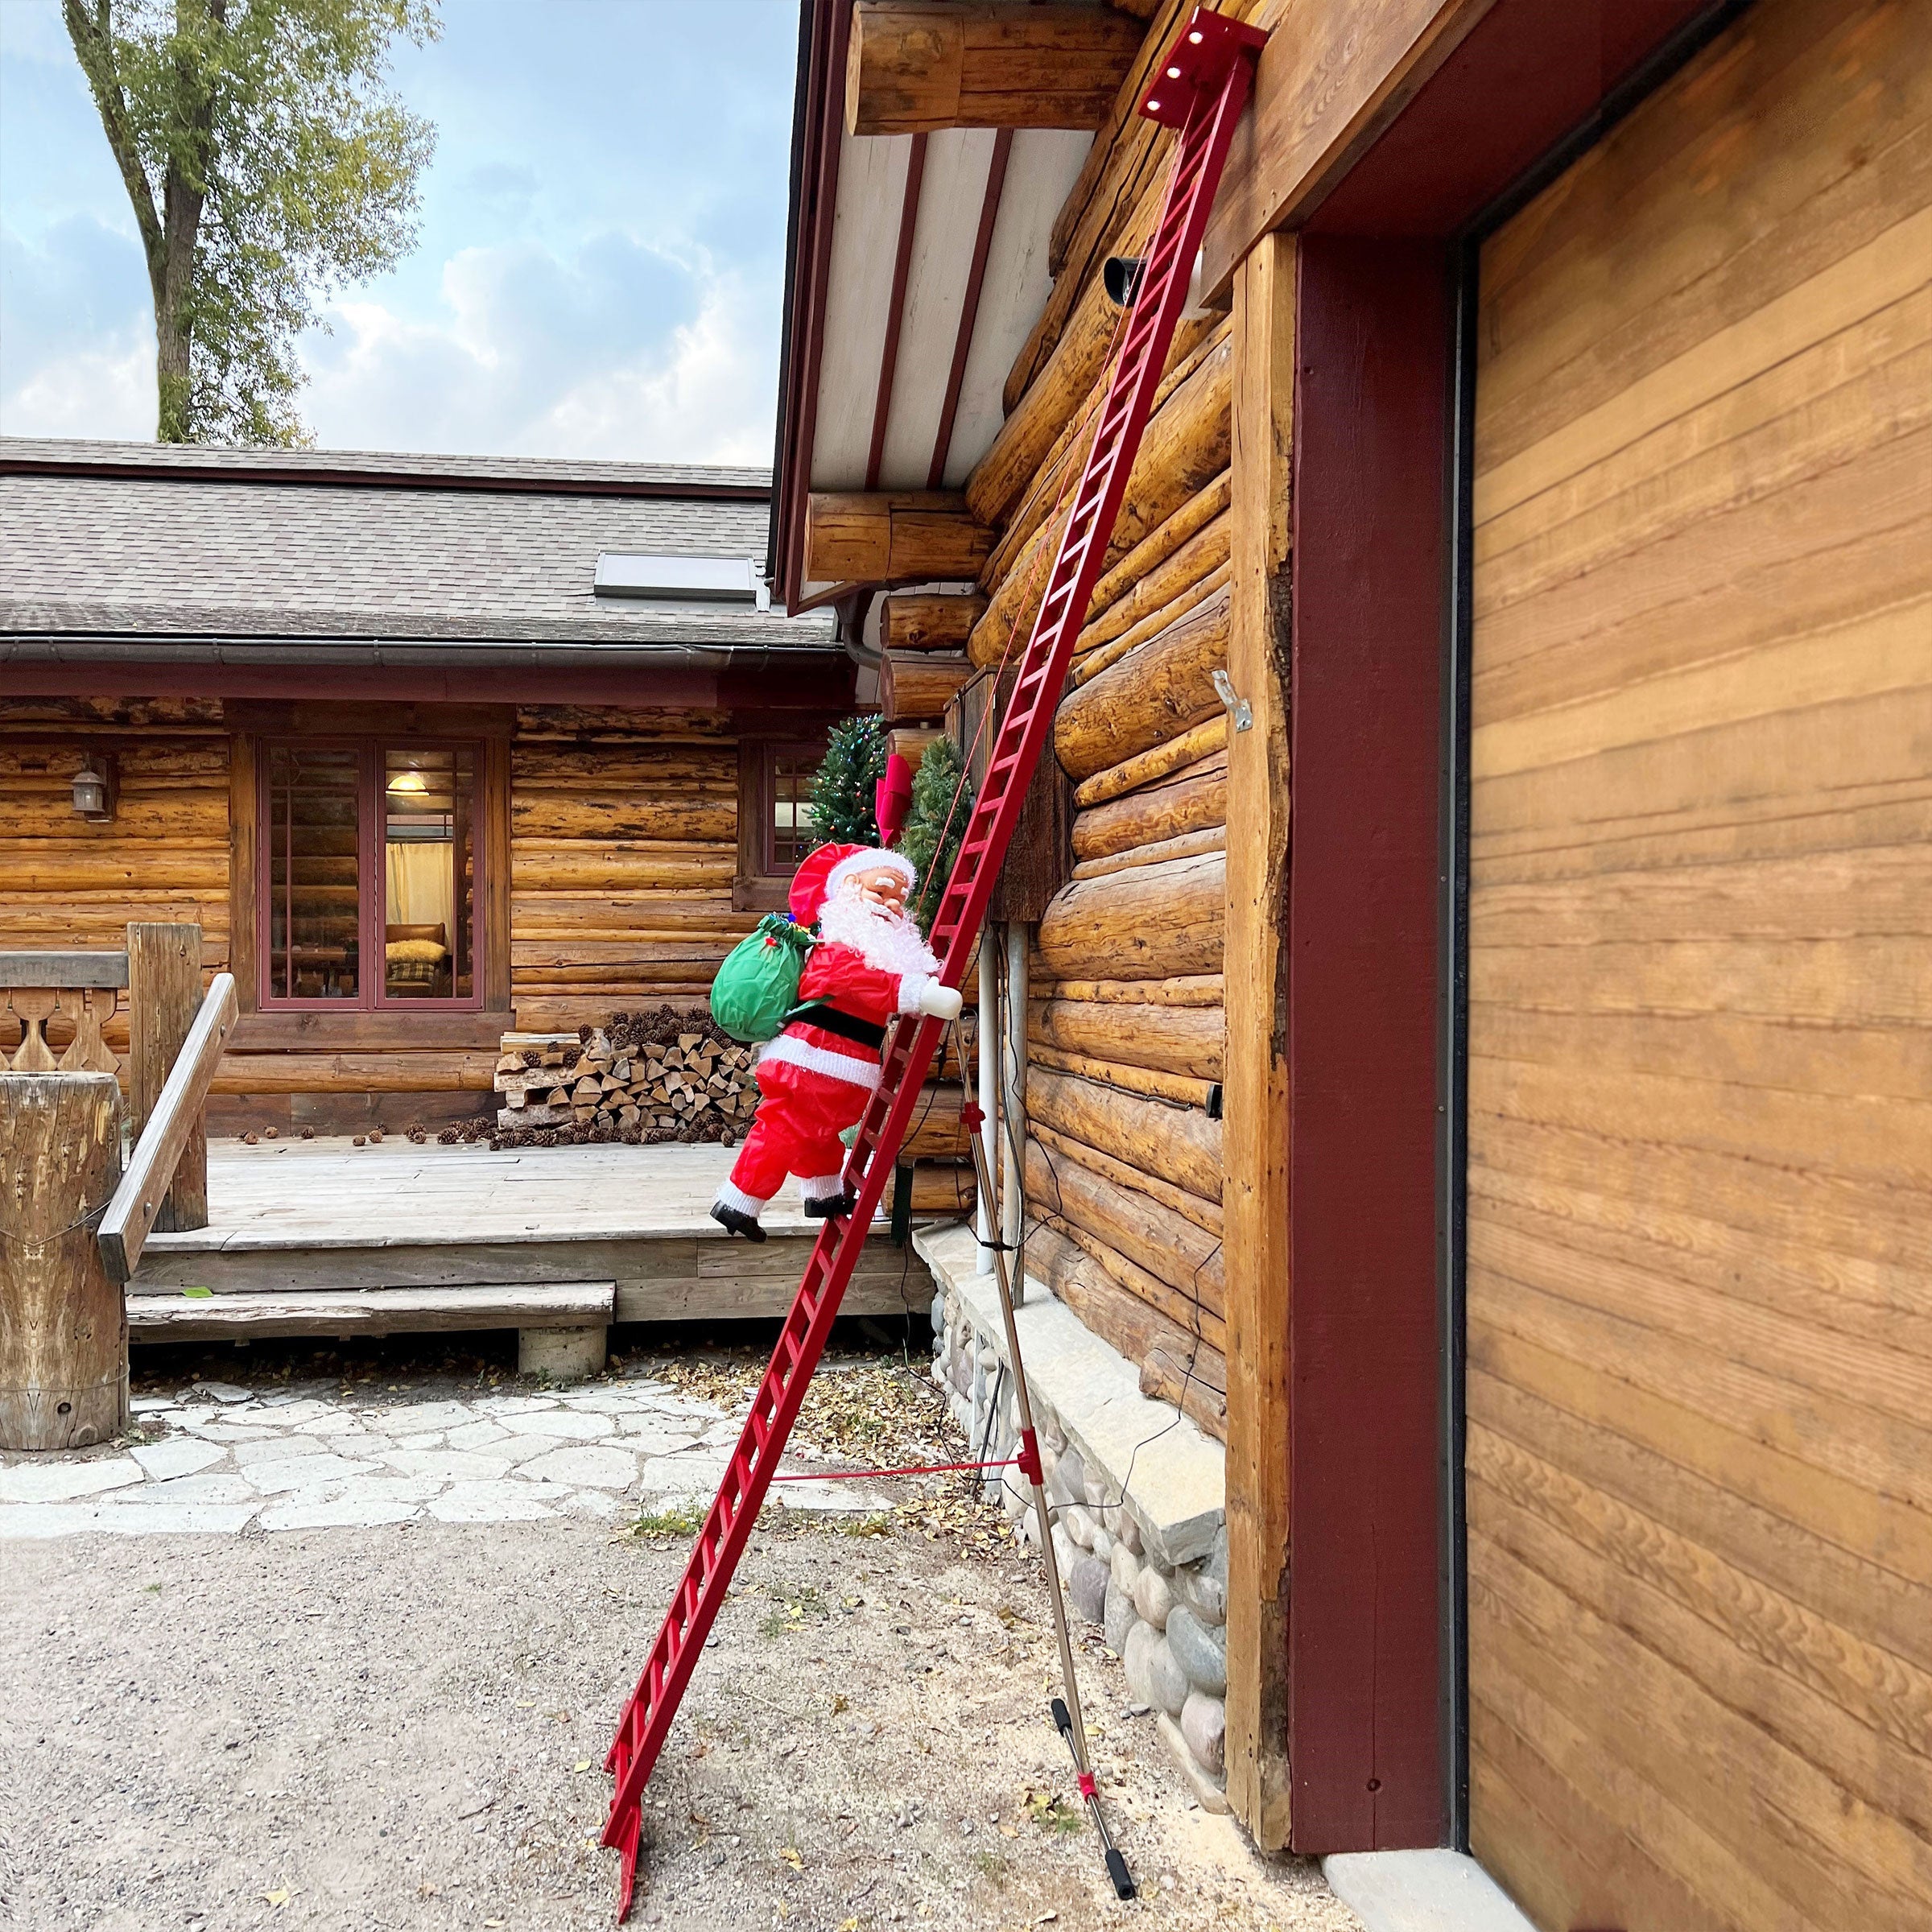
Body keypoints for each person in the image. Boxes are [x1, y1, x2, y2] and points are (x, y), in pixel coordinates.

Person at [710, 842, 963, 1241]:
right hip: (811, 1060)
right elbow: (866, 984)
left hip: (837, 1063)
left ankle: (823, 1195)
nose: (891, 906)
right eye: (880, 892)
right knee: (783, 1130)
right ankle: (738, 1202)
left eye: (898, 899)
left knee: (821, 1131)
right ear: (847, 888)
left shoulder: (868, 949)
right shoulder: (835, 948)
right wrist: (919, 993)